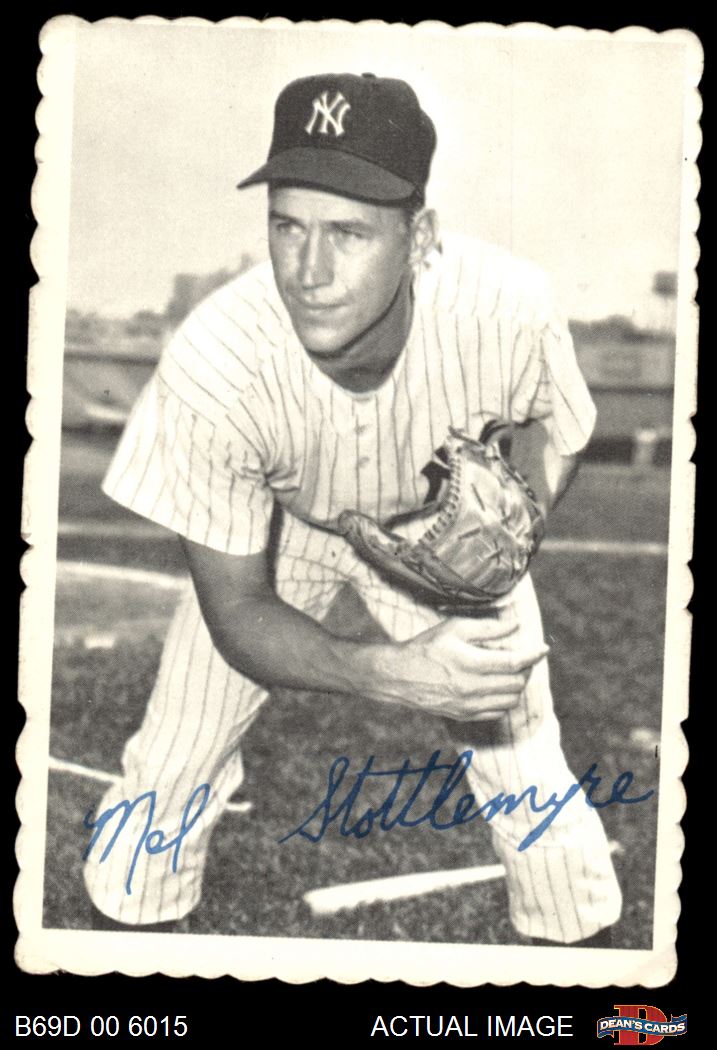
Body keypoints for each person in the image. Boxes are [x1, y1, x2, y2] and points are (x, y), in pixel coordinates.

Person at [83, 72, 621, 945]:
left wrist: (517, 522)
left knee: (521, 752)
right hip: (282, 526)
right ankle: (120, 952)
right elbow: (237, 614)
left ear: (419, 238)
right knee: (176, 751)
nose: (309, 271)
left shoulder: (505, 307)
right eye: (287, 226)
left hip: (434, 532)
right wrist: (382, 670)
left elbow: (553, 429)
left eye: (347, 232)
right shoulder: (216, 362)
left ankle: (589, 970)